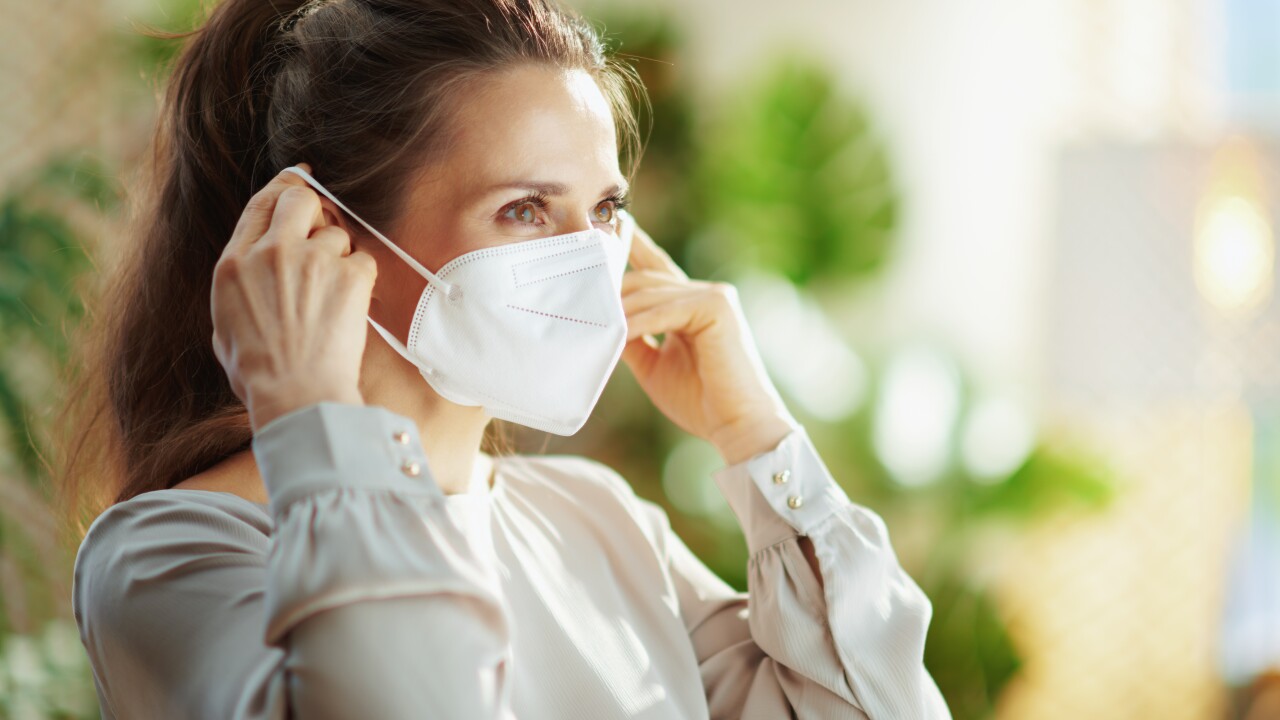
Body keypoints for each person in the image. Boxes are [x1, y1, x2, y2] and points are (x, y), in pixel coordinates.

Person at [60, 0, 951, 717]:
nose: (589, 260)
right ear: (323, 236)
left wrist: (761, 439)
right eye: (525, 208)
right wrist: (311, 413)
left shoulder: (598, 520)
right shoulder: (168, 556)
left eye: (603, 210)